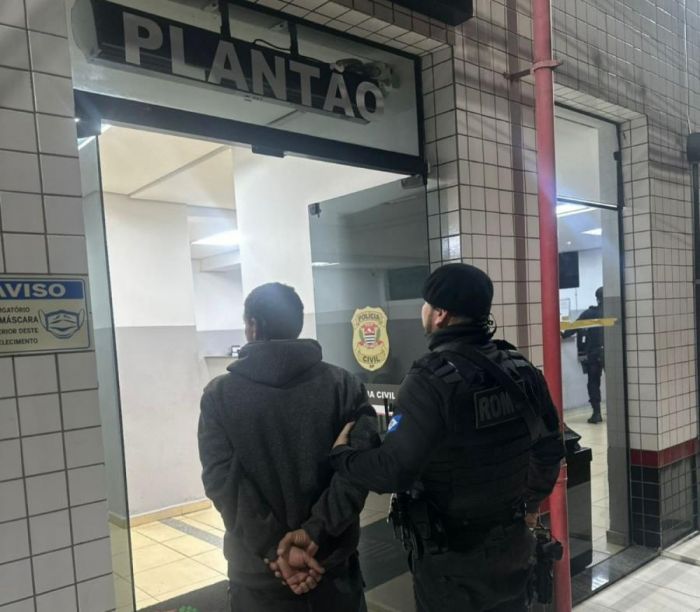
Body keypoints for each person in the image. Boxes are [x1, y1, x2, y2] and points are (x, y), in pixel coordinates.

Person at [316, 263, 564, 612]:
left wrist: (343, 455)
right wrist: (530, 505)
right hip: (512, 547)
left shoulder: (430, 380)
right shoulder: (519, 368)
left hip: (453, 563)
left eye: (426, 304)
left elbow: (393, 472)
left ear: (440, 314)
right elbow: (551, 448)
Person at [198, 282, 376, 612]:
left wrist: (274, 550)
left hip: (257, 578)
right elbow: (357, 471)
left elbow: (222, 482)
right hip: (332, 569)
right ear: (297, 324)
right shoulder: (345, 386)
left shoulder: (218, 396)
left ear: (253, 326)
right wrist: (314, 533)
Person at [562, 287, 604, 423]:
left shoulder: (588, 313)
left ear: (597, 299)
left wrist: (561, 332)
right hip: (611, 353)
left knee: (593, 383)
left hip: (593, 355)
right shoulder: (613, 311)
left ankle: (597, 413)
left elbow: (571, 329)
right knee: (617, 381)